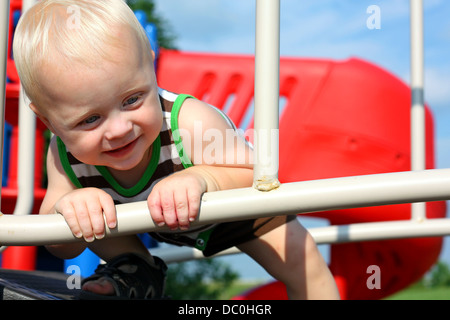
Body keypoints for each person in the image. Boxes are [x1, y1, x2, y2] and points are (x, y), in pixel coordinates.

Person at [13, 0, 339, 300]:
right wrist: (69, 210)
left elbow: (255, 175)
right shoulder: (63, 154)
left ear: (151, 69)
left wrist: (202, 180)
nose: (120, 129)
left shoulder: (190, 122)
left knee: (301, 258)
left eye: (132, 99)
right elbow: (56, 244)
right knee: (86, 213)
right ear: (50, 122)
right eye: (90, 119)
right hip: (149, 220)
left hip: (235, 208)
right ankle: (136, 267)